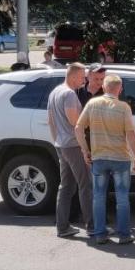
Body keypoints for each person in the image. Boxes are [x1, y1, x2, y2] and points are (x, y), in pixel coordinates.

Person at [75, 75, 135, 245]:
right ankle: (124, 235)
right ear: (120, 89)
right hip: (120, 158)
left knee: (98, 197)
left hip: (99, 157)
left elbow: (78, 127)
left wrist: (85, 150)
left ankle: (100, 234)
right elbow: (131, 134)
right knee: (122, 198)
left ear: (103, 88)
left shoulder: (92, 104)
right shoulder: (124, 107)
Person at [47, 62, 93, 238]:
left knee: (66, 187)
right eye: (82, 77)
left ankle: (63, 227)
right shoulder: (69, 95)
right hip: (73, 146)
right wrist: (85, 148)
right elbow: (77, 124)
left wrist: (57, 141)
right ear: (73, 76)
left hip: (62, 145)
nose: (84, 80)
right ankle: (92, 225)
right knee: (85, 185)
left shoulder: (55, 92)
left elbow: (51, 120)